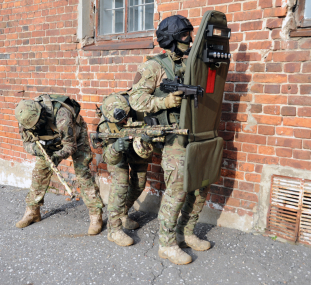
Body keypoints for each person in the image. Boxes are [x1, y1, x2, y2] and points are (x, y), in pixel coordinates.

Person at [129, 15, 211, 265]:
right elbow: (136, 100)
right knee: (176, 190)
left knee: (200, 186)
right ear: (173, 39)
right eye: (186, 36)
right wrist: (164, 102)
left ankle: (185, 232)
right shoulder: (153, 67)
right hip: (171, 137)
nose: (190, 40)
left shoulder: (188, 64)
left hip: (194, 133)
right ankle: (167, 244)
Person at [14, 94, 104, 235]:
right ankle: (32, 211)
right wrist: (37, 149)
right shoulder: (24, 118)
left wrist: (56, 157)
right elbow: (27, 144)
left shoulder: (62, 115)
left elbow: (70, 146)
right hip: (48, 143)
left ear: (41, 114)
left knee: (83, 173)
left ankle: (95, 215)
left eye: (37, 123)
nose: (35, 127)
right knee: (40, 173)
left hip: (74, 137)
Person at [97, 92, 152, 247]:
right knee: (121, 183)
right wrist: (115, 148)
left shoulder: (137, 107)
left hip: (136, 146)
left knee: (140, 182)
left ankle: (122, 213)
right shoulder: (105, 124)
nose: (122, 121)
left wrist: (149, 137)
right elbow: (108, 157)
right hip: (117, 153)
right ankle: (114, 229)